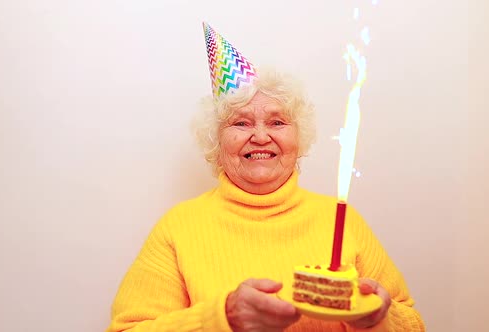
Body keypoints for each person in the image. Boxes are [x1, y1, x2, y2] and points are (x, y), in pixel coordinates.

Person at [106, 23, 425, 332]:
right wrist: (224, 318)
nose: (260, 136)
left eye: (277, 123)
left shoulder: (343, 220)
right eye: (241, 124)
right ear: (216, 141)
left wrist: (379, 321)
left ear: (299, 139)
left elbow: (412, 323)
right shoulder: (178, 229)